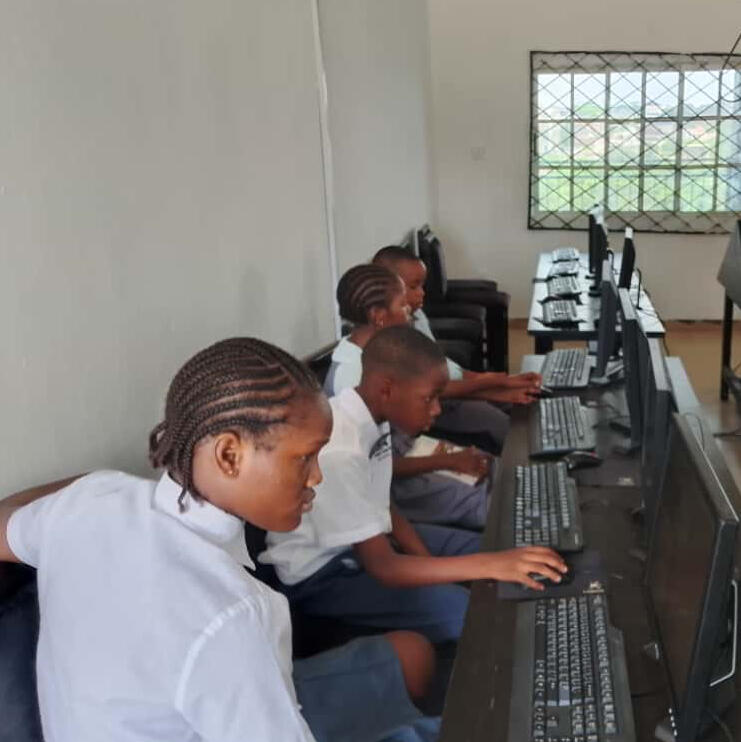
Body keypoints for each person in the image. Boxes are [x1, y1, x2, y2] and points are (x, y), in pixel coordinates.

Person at [0, 337, 441, 742]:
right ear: (229, 455)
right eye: (304, 458)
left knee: (410, 656)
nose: (317, 477)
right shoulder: (232, 614)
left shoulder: (89, 502)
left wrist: (89, 488)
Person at [261, 326, 567, 644]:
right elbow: (384, 568)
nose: (436, 409)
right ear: (387, 389)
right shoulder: (341, 450)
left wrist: (430, 563)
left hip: (368, 542)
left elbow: (382, 504)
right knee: (470, 613)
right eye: (429, 398)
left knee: (492, 547)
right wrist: (480, 568)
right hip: (323, 575)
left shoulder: (372, 418)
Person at [328, 263, 494, 529]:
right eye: (403, 306)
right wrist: (446, 461)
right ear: (379, 316)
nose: (410, 313)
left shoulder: (375, 355)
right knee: (486, 501)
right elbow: (376, 465)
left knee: (490, 466)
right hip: (389, 488)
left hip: (407, 455)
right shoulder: (352, 377)